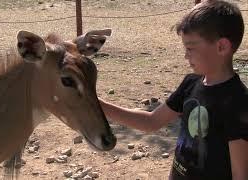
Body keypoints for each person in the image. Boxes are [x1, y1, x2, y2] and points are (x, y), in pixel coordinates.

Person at [99, 0, 248, 179]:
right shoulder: (190, 84)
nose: (186, 55)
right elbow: (151, 122)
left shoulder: (238, 103)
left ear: (222, 47)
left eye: (190, 48)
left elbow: (240, 175)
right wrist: (98, 105)